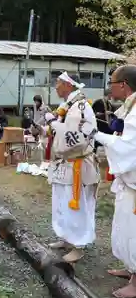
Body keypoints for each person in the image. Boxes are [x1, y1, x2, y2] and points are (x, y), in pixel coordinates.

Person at [78, 64, 136, 298]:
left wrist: (96, 134)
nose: (109, 87)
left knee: (132, 230)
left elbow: (128, 148)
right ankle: (131, 267)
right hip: (129, 183)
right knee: (123, 227)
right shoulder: (130, 107)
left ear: (123, 85)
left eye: (112, 82)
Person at [44, 72, 99, 263]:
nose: (56, 87)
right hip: (64, 163)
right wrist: (47, 127)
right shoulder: (66, 106)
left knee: (75, 205)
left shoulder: (80, 107)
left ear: (68, 84)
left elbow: (73, 138)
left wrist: (52, 123)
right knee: (60, 202)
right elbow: (60, 131)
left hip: (77, 163)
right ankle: (66, 238)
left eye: (58, 83)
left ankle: (78, 245)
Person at [91, 89, 114, 153]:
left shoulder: (109, 104)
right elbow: (94, 114)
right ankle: (94, 153)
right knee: (97, 142)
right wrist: (105, 113)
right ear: (108, 94)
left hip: (107, 125)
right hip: (99, 125)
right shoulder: (98, 102)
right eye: (111, 95)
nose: (111, 96)